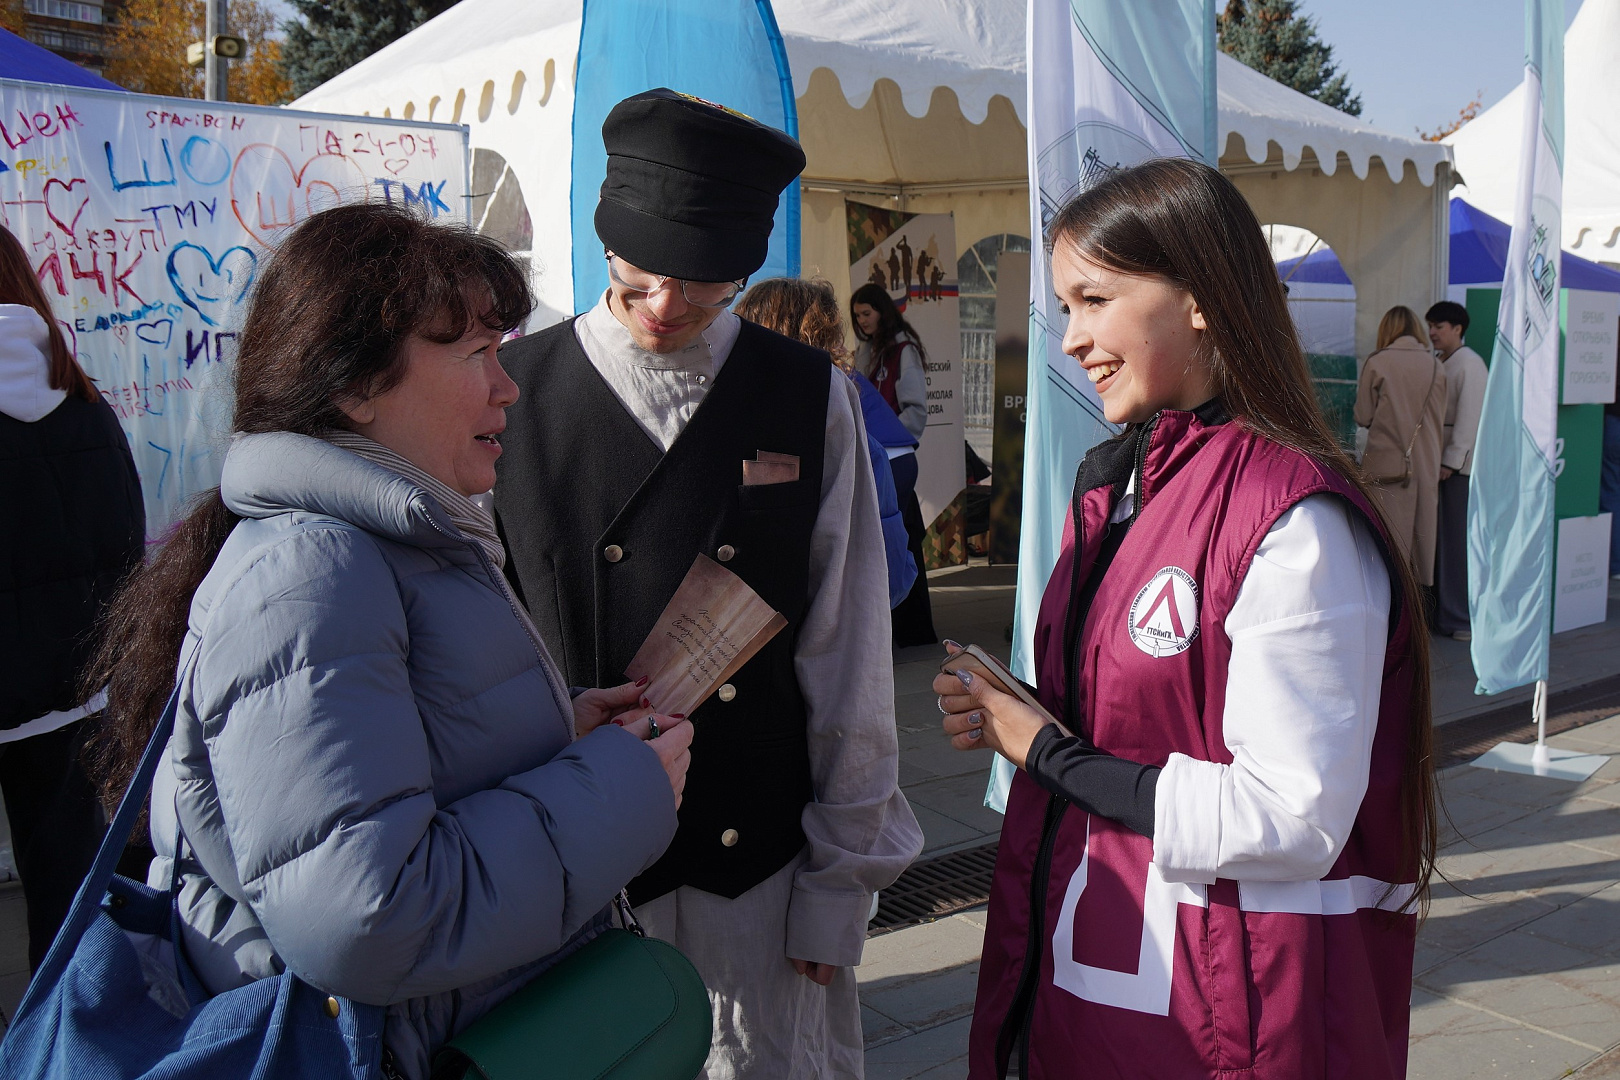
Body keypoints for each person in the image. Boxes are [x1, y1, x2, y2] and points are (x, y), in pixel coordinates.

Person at [80, 204, 692, 1080]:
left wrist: (569, 737)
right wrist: (617, 787)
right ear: (354, 388)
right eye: (475, 354)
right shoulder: (309, 575)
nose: (507, 384)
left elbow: (404, 782)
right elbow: (366, 917)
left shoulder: (391, 540)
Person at [933, 158, 1435, 1079]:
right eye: (1064, 306)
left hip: (1229, 1020)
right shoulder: (1114, 486)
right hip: (1096, 988)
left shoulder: (1297, 518)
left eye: (1094, 299)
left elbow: (1291, 815)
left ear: (1199, 298)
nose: (1072, 338)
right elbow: (1138, 723)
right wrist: (1018, 712)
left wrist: (1048, 752)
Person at [492, 90, 922, 1080]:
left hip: (758, 880)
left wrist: (839, 888)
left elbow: (850, 653)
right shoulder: (513, 392)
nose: (663, 309)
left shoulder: (808, 395)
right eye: (636, 280)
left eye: (703, 289)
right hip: (565, 872)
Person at [0, 225, 144, 972]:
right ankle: (67, 1040)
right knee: (66, 886)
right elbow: (123, 546)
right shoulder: (84, 402)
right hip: (66, 693)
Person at [734, 277, 918, 607]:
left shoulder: (710, 424)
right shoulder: (851, 443)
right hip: (818, 637)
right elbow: (890, 579)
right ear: (823, 340)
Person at [851, 282, 937, 645]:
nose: (861, 321)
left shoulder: (902, 350)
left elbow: (915, 408)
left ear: (883, 311)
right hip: (880, 457)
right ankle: (912, 629)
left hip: (891, 457)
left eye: (866, 314)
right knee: (905, 540)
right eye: (856, 316)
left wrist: (889, 439)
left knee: (894, 542)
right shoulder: (867, 351)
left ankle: (908, 629)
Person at [1356, 305, 1447, 587]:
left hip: (1385, 467)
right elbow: (1439, 416)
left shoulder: (1378, 362)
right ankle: (1419, 619)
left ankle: (1391, 621)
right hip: (1426, 465)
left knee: (1386, 549)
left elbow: (1363, 415)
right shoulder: (1436, 365)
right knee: (1420, 551)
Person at [1425, 301, 1488, 639]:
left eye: (1439, 326)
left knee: (1454, 543)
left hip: (1454, 469)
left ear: (1457, 329)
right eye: (1431, 325)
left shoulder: (1470, 364)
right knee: (1439, 543)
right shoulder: (1440, 361)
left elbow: (1470, 418)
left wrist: (1452, 461)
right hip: (1435, 461)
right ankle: (1442, 615)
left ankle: (1459, 618)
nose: (1433, 332)